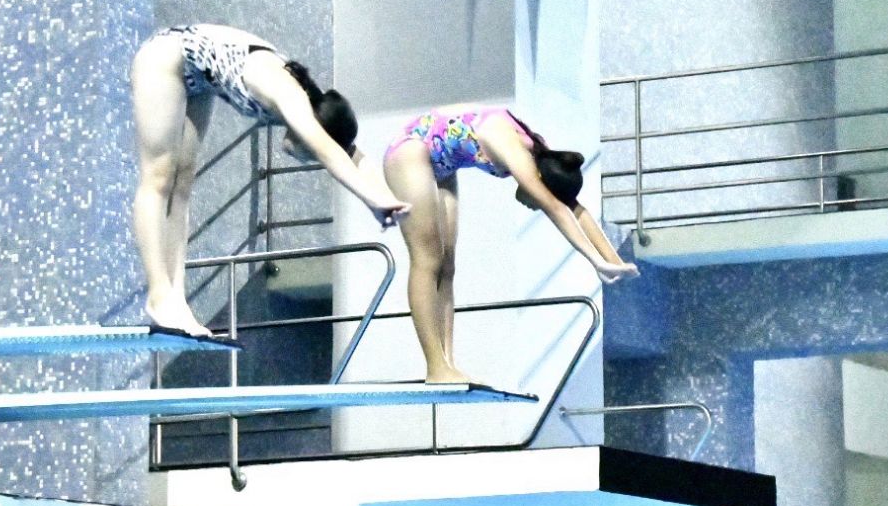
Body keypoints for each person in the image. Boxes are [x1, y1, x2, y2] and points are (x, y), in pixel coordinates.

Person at [131, 23, 410, 337]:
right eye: (311, 154)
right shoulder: (292, 98)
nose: (304, 159)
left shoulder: (317, 108)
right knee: (158, 177)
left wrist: (386, 199)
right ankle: (159, 295)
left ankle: (176, 299)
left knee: (181, 185)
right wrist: (371, 199)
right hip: (167, 57)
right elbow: (330, 151)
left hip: (198, 75)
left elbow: (356, 156)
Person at [382, 105, 638, 382]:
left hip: (442, 164)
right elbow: (555, 207)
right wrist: (595, 261)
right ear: (538, 183)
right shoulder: (518, 155)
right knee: (427, 260)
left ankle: (448, 365)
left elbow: (575, 210)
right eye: (536, 200)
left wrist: (613, 261)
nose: (534, 206)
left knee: (447, 266)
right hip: (411, 150)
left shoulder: (544, 160)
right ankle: (436, 368)